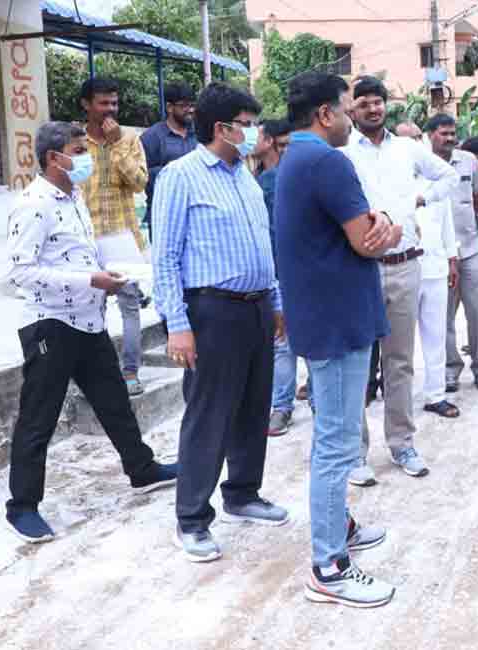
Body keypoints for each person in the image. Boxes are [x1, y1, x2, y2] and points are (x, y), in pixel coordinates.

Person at [4, 121, 178, 544]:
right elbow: (20, 272)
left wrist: (111, 274)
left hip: (88, 319)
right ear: (53, 158)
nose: (84, 158)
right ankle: (22, 506)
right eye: (77, 150)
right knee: (38, 416)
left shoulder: (74, 197)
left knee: (114, 401)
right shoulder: (33, 205)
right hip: (50, 323)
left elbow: (79, 254)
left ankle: (142, 469)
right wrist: (90, 281)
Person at [152, 83, 289, 563]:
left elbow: (262, 245)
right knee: (209, 414)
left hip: (254, 308)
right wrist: (177, 324)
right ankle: (191, 519)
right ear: (221, 129)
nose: (254, 133)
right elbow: (165, 258)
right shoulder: (181, 177)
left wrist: (274, 302)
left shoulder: (244, 176)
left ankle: (243, 493)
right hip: (211, 311)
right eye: (247, 125)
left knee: (253, 406)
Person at [278, 71, 400, 608]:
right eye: (348, 109)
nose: (353, 118)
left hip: (326, 316)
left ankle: (341, 526)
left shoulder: (295, 159)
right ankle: (329, 565)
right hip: (338, 321)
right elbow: (368, 241)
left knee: (337, 433)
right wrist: (389, 224)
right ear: (325, 114)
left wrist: (381, 223)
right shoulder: (328, 160)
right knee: (337, 442)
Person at [342, 76, 459, 482]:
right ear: (351, 110)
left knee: (400, 363)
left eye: (378, 102)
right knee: (357, 364)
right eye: (364, 104)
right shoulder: (342, 154)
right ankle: (354, 454)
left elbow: (449, 176)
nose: (373, 109)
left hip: (407, 265)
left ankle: (402, 444)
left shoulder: (409, 149)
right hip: (360, 269)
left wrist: (421, 199)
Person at [78, 78, 150, 397]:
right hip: (86, 238)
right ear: (86, 104)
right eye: (103, 103)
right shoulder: (75, 141)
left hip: (123, 234)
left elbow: (139, 183)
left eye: (114, 104)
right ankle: (97, 376)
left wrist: (118, 144)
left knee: (130, 305)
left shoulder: (130, 140)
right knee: (90, 308)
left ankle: (131, 371)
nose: (110, 110)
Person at [424, 113, 478, 394]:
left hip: (470, 248)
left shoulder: (469, 161)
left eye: (453, 133)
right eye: (444, 133)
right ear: (431, 135)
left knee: (477, 310)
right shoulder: (422, 164)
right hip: (438, 253)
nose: (450, 138)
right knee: (443, 315)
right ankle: (450, 368)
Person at [253, 119, 305, 437]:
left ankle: (282, 407)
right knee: (284, 341)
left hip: (287, 270)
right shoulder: (258, 178)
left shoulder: (275, 180)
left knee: (284, 341)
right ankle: (284, 404)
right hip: (277, 272)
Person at [413, 169, 461, 419]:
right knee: (397, 342)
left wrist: (452, 259)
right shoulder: (388, 181)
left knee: (435, 336)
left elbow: (447, 227)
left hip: (435, 269)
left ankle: (436, 395)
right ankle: (394, 395)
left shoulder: (437, 186)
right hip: (401, 270)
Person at [141, 82, 197, 238]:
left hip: (196, 215)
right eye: (184, 105)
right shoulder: (152, 137)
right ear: (169, 107)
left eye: (192, 105)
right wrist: (176, 173)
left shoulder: (200, 135)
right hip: (164, 216)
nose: (190, 110)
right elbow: (143, 177)